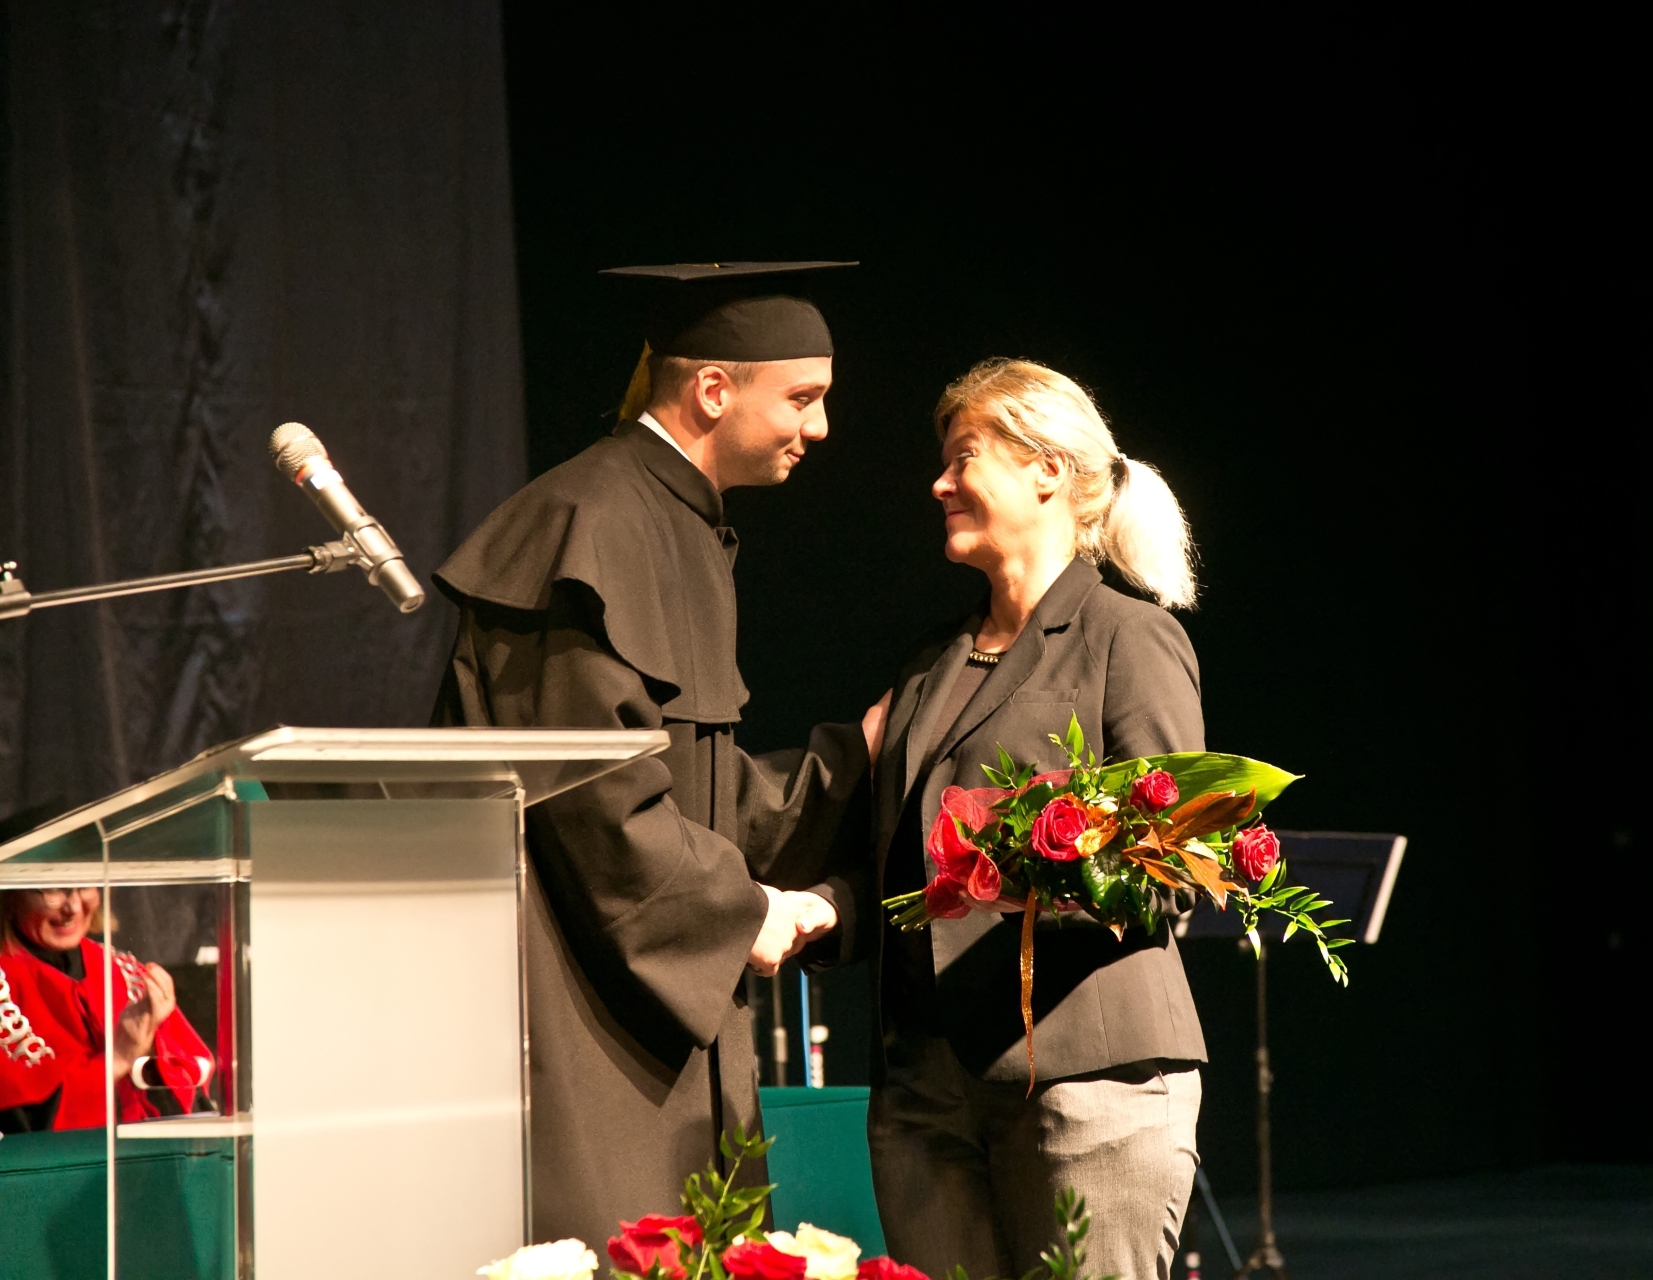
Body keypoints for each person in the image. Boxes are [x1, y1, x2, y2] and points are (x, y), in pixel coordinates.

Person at [431, 262, 875, 1248]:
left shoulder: (676, 519)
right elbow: (595, 804)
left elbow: (695, 789)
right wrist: (744, 910)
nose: (820, 427)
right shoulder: (588, 523)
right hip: (581, 1024)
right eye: (802, 398)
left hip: (661, 1021)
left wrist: (860, 760)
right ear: (714, 390)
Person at [853, 358, 1208, 1279]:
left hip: (1088, 1084)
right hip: (927, 1094)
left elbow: (1171, 867)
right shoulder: (929, 664)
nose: (939, 484)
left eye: (963, 457)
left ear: (1046, 469)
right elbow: (892, 858)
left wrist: (1024, 877)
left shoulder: (1130, 638)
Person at [1, 887, 214, 1132]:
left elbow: (194, 1103)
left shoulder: (127, 974)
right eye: (53, 891)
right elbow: (21, 1127)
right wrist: (119, 1057)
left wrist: (151, 1050)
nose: (73, 908)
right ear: (12, 894)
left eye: (84, 888)